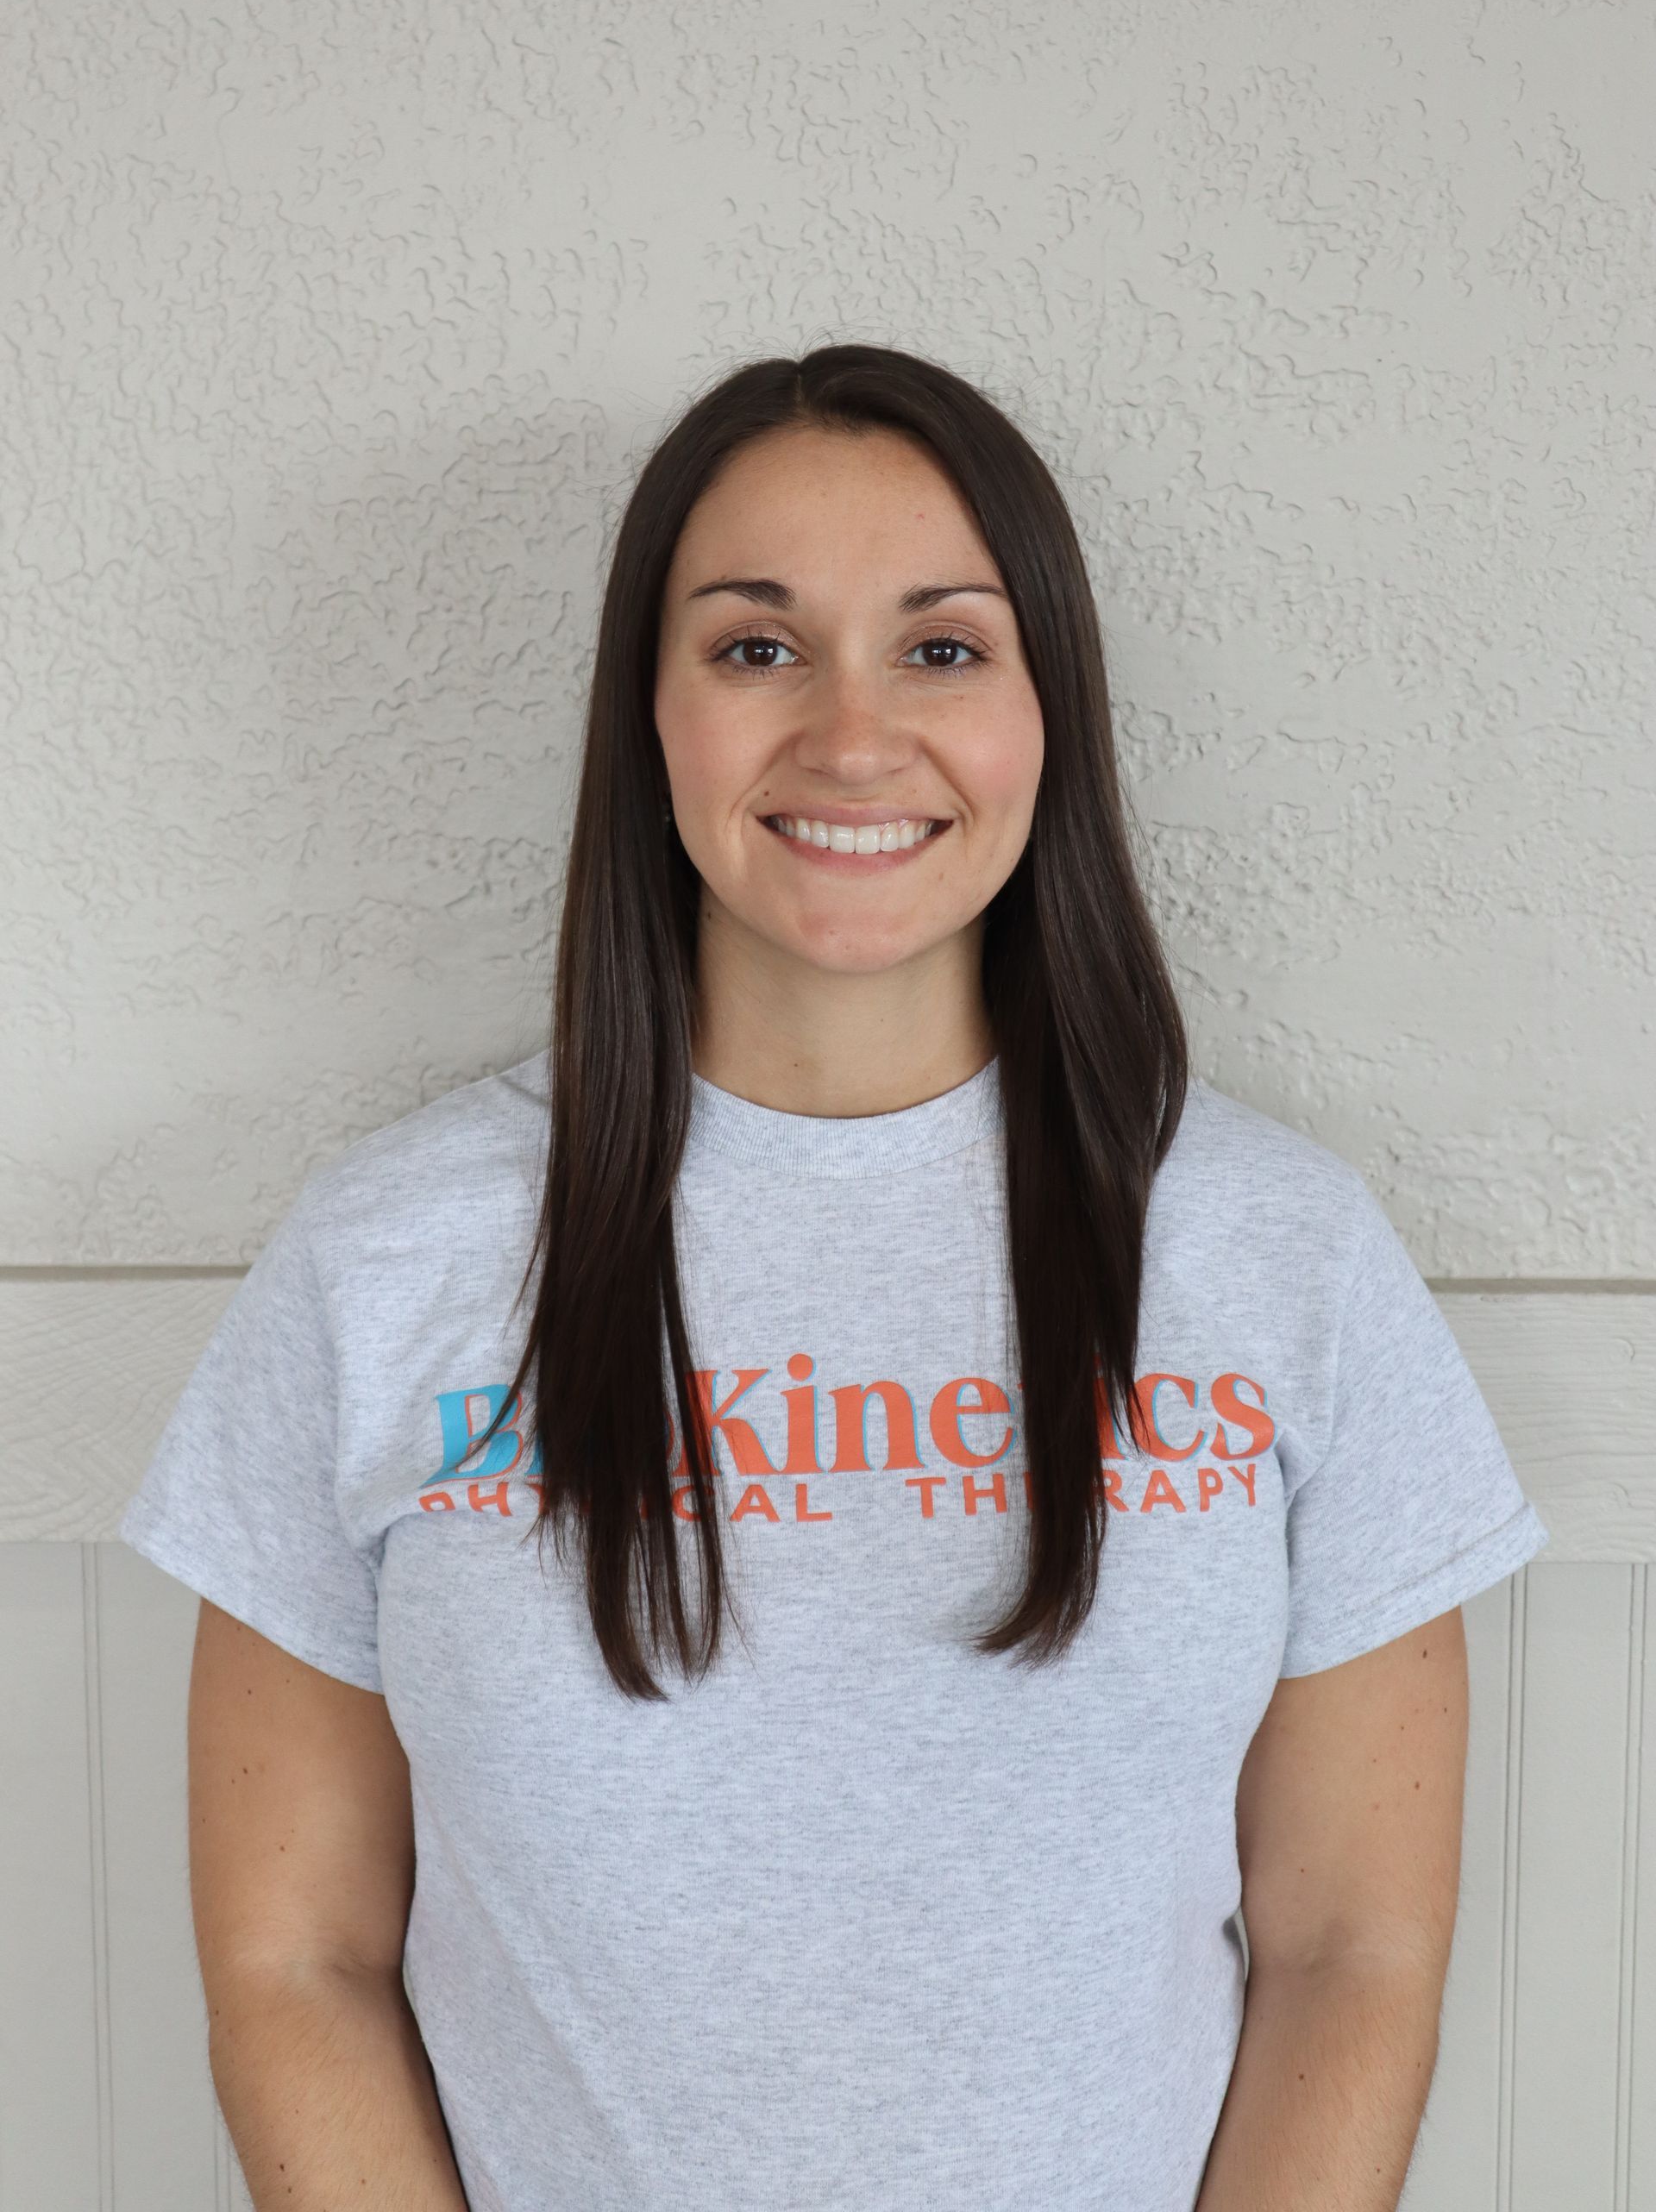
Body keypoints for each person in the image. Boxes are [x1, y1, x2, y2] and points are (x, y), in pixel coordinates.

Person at [121, 342, 1549, 2212]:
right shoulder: (390, 1260)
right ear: (654, 711)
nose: (855, 737)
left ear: (1052, 712)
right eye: (756, 645)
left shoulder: (1276, 1254)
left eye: (944, 647)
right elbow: (293, 1959)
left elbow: (1350, 1952)